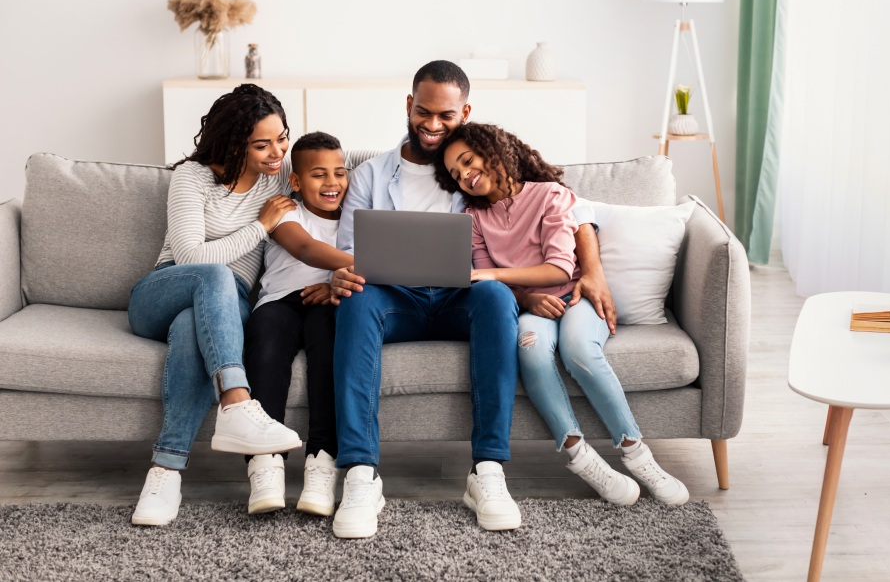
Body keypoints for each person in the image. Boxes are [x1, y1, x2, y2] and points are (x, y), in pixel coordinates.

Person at [328, 60, 619, 539]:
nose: (433, 125)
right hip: (394, 301)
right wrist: (343, 273)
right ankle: (360, 474)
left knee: (494, 299)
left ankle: (488, 472)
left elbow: (568, 202)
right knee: (357, 301)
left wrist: (593, 269)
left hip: (462, 296)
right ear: (409, 105)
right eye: (424, 112)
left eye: (446, 116)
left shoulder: (479, 159)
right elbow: (348, 251)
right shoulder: (371, 175)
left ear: (465, 112)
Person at [434, 122, 690, 507]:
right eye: (455, 173)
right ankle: (580, 457)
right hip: (534, 305)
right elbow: (492, 288)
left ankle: (638, 454)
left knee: (579, 351)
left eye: (468, 161)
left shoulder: (550, 195)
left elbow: (556, 268)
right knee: (531, 350)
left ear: (492, 151)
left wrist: (492, 274)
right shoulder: (474, 218)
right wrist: (524, 299)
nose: (464, 175)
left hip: (575, 295)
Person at [128, 84, 304, 526]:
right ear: (234, 142)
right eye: (262, 144)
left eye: (281, 137)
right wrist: (263, 225)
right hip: (162, 291)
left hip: (225, 310)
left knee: (193, 328)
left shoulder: (281, 174)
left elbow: (339, 166)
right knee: (214, 275)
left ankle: (165, 471)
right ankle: (237, 402)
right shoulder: (194, 177)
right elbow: (189, 256)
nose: (277, 151)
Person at [242, 131, 354, 517]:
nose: (332, 183)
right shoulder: (284, 210)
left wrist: (333, 283)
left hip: (328, 301)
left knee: (330, 353)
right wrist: (377, 265)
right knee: (266, 346)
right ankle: (265, 462)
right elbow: (305, 248)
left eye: (340, 173)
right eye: (319, 175)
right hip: (280, 302)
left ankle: (322, 462)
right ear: (296, 181)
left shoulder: (357, 218)